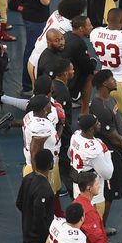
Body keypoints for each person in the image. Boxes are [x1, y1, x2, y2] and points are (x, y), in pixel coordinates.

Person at [90, 70, 122, 225]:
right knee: (108, 194)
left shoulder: (110, 100)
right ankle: (101, 228)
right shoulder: (100, 107)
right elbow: (112, 136)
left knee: (111, 194)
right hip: (110, 154)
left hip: (116, 152)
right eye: (111, 79)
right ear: (104, 83)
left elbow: (120, 122)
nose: (114, 80)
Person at [90, 8, 122, 134]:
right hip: (121, 82)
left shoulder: (95, 33)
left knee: (105, 115)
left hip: (103, 80)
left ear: (107, 19)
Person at [27, 0, 87, 91]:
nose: (82, 15)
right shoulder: (66, 28)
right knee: (42, 96)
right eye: (81, 12)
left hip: (35, 58)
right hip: (40, 64)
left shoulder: (56, 13)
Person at [17, 148, 56, 243]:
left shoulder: (28, 178)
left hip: (27, 231)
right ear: (51, 164)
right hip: (38, 238)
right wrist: (45, 234)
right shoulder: (44, 188)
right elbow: (39, 215)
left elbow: (19, 203)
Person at [21, 0, 54, 94]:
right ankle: (28, 86)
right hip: (36, 18)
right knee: (33, 51)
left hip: (30, 14)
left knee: (31, 49)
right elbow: (46, 0)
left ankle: (28, 84)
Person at [68, 114, 113, 206]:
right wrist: (106, 152)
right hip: (92, 194)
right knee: (94, 218)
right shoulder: (93, 149)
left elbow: (69, 154)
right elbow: (108, 174)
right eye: (97, 123)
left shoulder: (76, 136)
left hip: (77, 185)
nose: (100, 124)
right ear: (91, 129)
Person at [21, 95, 61, 196]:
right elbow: (35, 150)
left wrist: (62, 124)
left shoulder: (30, 115)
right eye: (49, 105)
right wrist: (38, 177)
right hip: (40, 170)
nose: (51, 107)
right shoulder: (41, 126)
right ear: (44, 109)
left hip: (38, 167)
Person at [72, 171, 113, 243]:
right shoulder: (89, 211)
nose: (99, 186)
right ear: (89, 188)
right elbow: (95, 236)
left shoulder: (77, 202)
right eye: (97, 184)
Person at [50, 59, 75, 198]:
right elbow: (60, 117)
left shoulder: (54, 85)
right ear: (65, 73)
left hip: (60, 133)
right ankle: (69, 189)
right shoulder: (62, 91)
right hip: (62, 135)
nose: (73, 71)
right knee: (66, 162)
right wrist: (63, 134)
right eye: (71, 69)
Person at [60, 16, 96, 114]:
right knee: (90, 74)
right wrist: (94, 70)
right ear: (81, 28)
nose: (92, 27)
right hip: (68, 80)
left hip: (60, 73)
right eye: (89, 25)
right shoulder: (79, 44)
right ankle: (83, 106)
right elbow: (87, 66)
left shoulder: (67, 34)